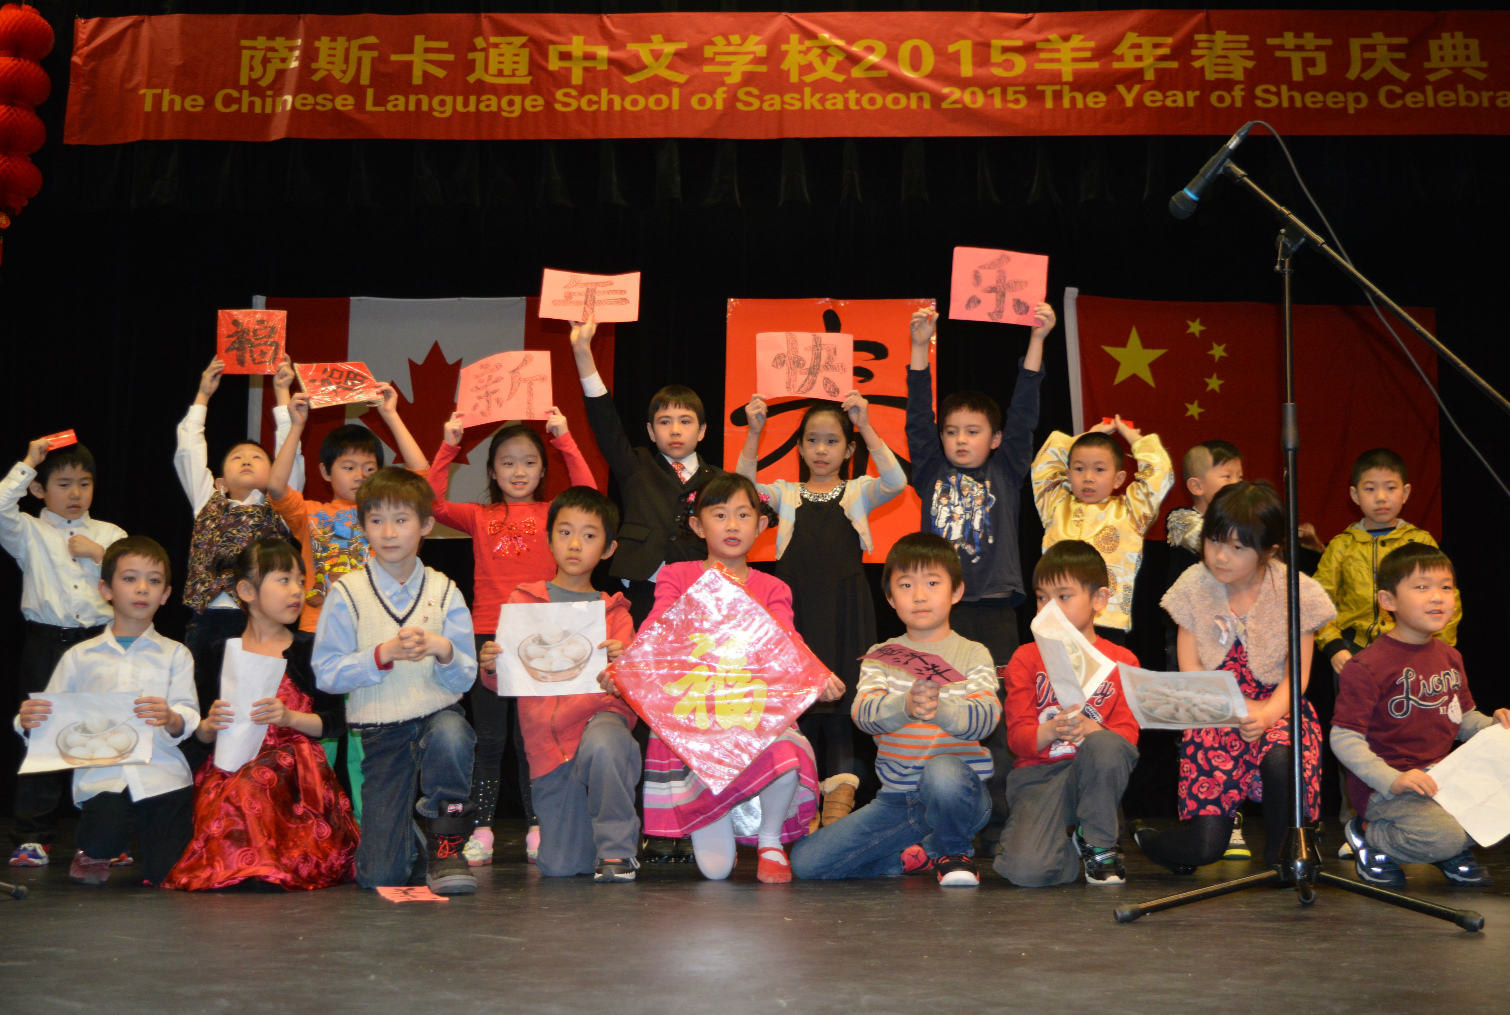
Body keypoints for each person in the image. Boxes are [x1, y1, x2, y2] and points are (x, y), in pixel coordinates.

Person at [615, 473, 844, 884]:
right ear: (698, 525)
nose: (733, 525)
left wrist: (817, 674)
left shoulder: (772, 587)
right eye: (720, 515)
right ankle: (715, 811)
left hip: (749, 708)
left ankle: (770, 840)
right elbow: (656, 629)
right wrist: (626, 666)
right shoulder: (677, 576)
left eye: (743, 515)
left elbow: (788, 641)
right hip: (696, 717)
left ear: (761, 524)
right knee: (716, 872)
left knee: (788, 746)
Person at [905, 302, 1056, 850]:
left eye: (973, 431)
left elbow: (1025, 411)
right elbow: (916, 417)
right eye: (951, 432)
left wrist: (1037, 340)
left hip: (993, 609)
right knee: (936, 712)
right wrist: (919, 348)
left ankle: (996, 818)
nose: (960, 440)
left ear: (994, 439)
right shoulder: (929, 468)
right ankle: (940, 813)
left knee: (996, 715)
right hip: (938, 617)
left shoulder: (1007, 467)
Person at [1136, 482, 1336, 872]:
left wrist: (1266, 714)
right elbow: (1190, 667)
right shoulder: (1193, 585)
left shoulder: (1297, 592)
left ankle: (1283, 854)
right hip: (1217, 713)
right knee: (1204, 850)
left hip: (1279, 709)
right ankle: (1152, 839)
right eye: (1213, 541)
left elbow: (1297, 677)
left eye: (1237, 547)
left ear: (1269, 550)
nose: (1220, 556)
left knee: (1282, 757)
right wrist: (1233, 707)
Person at [429, 410, 597, 868]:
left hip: (543, 635)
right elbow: (433, 504)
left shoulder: (553, 514)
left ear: (542, 470)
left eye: (528, 462)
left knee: (533, 740)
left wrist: (565, 440)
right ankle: (482, 828)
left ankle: (538, 825)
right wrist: (449, 445)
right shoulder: (479, 516)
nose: (518, 471)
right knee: (489, 738)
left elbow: (588, 497)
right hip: (489, 636)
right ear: (491, 471)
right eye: (507, 462)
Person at [789, 533, 999, 886]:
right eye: (905, 585)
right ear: (890, 597)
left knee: (942, 770)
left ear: (956, 591)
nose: (919, 595)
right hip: (898, 802)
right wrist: (905, 706)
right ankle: (910, 858)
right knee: (808, 862)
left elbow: (986, 720)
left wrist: (939, 708)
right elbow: (864, 715)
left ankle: (952, 852)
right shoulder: (882, 655)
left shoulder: (972, 653)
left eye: (932, 583)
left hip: (959, 798)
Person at [736, 390, 906, 820]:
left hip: (846, 612)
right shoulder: (785, 494)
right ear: (799, 447)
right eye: (812, 440)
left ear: (848, 449)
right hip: (796, 614)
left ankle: (837, 815)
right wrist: (754, 434)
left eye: (832, 441)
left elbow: (896, 482)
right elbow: (741, 490)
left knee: (842, 714)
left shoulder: (857, 492)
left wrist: (865, 425)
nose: (821, 449)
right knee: (801, 715)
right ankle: (800, 813)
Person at [311, 468, 478, 893]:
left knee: (452, 734)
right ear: (362, 525)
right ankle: (413, 840)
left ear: (426, 525)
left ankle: (447, 844)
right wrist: (380, 655)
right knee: (380, 876)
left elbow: (467, 675)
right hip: (380, 730)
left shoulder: (444, 591)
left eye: (401, 520)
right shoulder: (346, 592)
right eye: (376, 520)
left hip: (436, 714)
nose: (388, 532)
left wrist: (444, 649)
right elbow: (326, 674)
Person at [268, 385, 430, 820]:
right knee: (318, 741)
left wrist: (391, 414)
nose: (360, 474)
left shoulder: (381, 518)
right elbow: (275, 485)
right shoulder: (310, 512)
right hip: (316, 636)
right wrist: (296, 425)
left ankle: (367, 827)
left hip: (371, 640)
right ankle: (317, 827)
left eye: (370, 467)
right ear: (325, 471)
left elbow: (422, 474)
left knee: (364, 739)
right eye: (348, 465)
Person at [162, 538, 358, 891]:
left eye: (300, 581)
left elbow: (336, 721)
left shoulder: (308, 650)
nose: (297, 590)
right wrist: (208, 726)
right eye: (283, 580)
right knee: (226, 791)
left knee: (254, 784)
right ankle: (242, 866)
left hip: (296, 774)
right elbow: (198, 734)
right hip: (230, 765)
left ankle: (259, 867)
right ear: (247, 591)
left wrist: (290, 718)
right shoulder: (218, 652)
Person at [480, 487, 641, 882]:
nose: (575, 544)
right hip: (547, 745)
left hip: (598, 720)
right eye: (565, 532)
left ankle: (618, 852)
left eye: (590, 535)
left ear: (608, 549)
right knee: (561, 868)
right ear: (549, 540)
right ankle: (587, 842)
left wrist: (623, 668)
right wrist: (491, 667)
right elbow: (502, 680)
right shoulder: (522, 602)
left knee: (606, 742)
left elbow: (634, 689)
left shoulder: (615, 613)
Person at [15, 537, 197, 885]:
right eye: (129, 578)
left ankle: (140, 843)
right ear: (106, 589)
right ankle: (97, 849)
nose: (142, 588)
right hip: (105, 777)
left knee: (168, 874)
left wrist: (172, 718)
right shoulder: (80, 657)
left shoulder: (176, 653)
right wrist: (27, 721)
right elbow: (50, 713)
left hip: (164, 777)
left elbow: (188, 714)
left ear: (165, 594)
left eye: (154, 581)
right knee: (103, 835)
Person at [1332, 543, 1505, 888]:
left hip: (1441, 779)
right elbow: (1344, 737)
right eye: (1422, 587)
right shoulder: (1366, 666)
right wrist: (1390, 779)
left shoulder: (1450, 657)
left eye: (1446, 587)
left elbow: (1462, 718)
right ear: (1388, 601)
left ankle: (1448, 847)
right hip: (1388, 788)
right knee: (1444, 838)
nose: (1437, 597)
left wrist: (1495, 726)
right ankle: (1368, 834)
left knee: (1495, 813)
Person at [3, 434, 127, 868]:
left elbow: (137, 575)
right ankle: (32, 836)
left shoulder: (109, 533)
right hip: (47, 645)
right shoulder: (28, 531)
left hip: (98, 645)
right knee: (43, 737)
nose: (76, 493)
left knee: (104, 737)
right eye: (63, 484)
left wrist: (101, 554)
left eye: (84, 483)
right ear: (38, 489)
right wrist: (28, 462)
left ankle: (104, 838)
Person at [997, 540, 1140, 887]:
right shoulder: (1025, 658)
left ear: (1099, 599)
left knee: (1106, 745)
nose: (1050, 609)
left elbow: (1127, 740)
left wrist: (1091, 729)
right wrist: (1050, 730)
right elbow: (1017, 739)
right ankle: (1063, 848)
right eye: (1041, 598)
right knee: (1027, 871)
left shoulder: (1123, 661)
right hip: (1039, 778)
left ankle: (1098, 841)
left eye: (1063, 597)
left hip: (1094, 774)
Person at [174, 355, 303, 733]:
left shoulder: (280, 506)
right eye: (236, 457)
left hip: (262, 625)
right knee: (207, 715)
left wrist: (282, 394)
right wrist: (202, 396)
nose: (246, 460)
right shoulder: (206, 500)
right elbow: (188, 450)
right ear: (220, 478)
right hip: (208, 621)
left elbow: (291, 455)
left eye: (257, 457)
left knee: (257, 719)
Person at [569, 313, 723, 627]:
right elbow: (606, 424)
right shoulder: (636, 464)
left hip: (700, 589)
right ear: (651, 432)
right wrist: (583, 353)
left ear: (702, 430)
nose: (675, 430)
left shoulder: (719, 481)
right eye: (665, 422)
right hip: (643, 588)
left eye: (685, 421)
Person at [1031, 415, 1174, 643]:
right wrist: (1083, 438)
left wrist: (1135, 439)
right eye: (1079, 468)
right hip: (1056, 620)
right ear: (1068, 475)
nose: (1088, 478)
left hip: (1106, 622)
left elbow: (1159, 473)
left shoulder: (1131, 512)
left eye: (1099, 469)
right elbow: (1043, 467)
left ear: (1118, 478)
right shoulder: (1055, 505)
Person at [1164, 440, 1244, 585]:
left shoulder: (1241, 524)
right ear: (1196, 486)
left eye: (1240, 477)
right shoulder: (1180, 519)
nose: (1237, 484)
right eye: (1227, 477)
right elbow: (1217, 545)